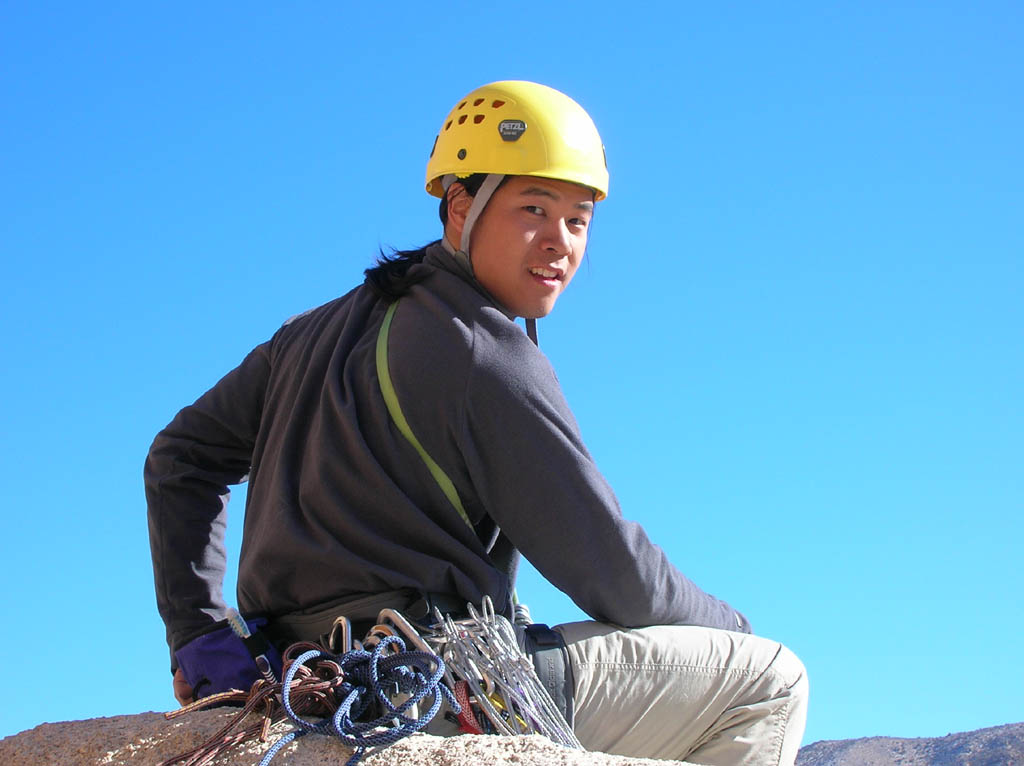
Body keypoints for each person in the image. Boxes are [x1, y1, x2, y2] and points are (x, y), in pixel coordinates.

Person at [146, 80, 808, 765]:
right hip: (424, 687)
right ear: (460, 207)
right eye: (532, 208)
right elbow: (615, 575)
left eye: (578, 220)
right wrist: (734, 627)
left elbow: (179, 457)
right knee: (771, 681)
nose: (559, 242)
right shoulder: (486, 354)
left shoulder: (308, 334)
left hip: (300, 681)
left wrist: (198, 633)